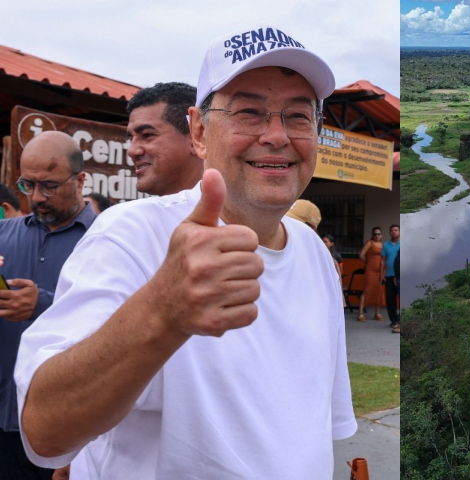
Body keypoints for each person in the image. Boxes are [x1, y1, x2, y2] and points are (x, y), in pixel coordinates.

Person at [15, 23, 356, 478]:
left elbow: (310, 432)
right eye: (249, 112)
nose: (277, 136)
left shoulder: (314, 255)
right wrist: (162, 311)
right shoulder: (130, 236)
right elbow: (44, 431)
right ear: (199, 132)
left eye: (298, 116)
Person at [0, 131, 96, 480]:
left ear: (81, 179)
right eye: (28, 185)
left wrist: (43, 304)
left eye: (49, 186)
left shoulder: (106, 241)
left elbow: (123, 320)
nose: (37, 197)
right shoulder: (3, 234)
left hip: (68, 431)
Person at [126, 82, 204, 196]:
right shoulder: (134, 214)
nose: (131, 151)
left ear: (196, 138)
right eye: (131, 138)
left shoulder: (236, 210)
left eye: (147, 135)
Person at [357, 227, 384, 322]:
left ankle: (377, 313)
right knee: (367, 290)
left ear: (381, 235)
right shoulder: (369, 243)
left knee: (379, 291)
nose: (377, 236)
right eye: (375, 234)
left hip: (380, 271)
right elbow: (361, 255)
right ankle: (360, 313)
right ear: (372, 235)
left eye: (379, 234)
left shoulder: (383, 245)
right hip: (370, 271)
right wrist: (368, 262)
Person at [381, 224, 400, 334]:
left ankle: (401, 320)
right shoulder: (386, 245)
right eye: (392, 230)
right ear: (389, 232)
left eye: (396, 230)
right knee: (390, 298)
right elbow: (383, 260)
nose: (394, 232)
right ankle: (394, 320)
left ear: (399, 232)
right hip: (388, 275)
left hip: (401, 275)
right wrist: (381, 274)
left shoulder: (403, 244)